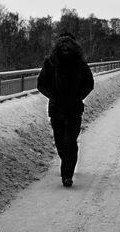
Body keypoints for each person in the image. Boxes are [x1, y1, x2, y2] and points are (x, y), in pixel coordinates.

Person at [37, 32, 94, 187]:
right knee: (60, 143)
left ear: (73, 46)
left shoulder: (80, 63)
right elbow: (41, 84)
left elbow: (89, 83)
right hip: (57, 108)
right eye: (62, 45)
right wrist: (53, 95)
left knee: (69, 142)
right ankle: (67, 162)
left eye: (67, 45)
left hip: (74, 108)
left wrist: (77, 97)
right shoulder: (50, 63)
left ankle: (67, 174)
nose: (65, 48)